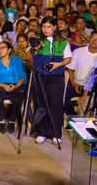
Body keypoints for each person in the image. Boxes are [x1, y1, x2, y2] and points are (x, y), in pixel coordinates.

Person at [30, 17, 71, 146]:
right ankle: (42, 132)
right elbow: (30, 58)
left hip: (57, 77)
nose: (46, 29)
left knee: (56, 105)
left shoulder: (63, 42)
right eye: (43, 27)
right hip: (40, 76)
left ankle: (56, 134)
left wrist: (58, 64)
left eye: (49, 27)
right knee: (41, 104)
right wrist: (36, 48)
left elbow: (68, 59)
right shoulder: (37, 40)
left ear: (54, 27)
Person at [0, 40, 27, 132]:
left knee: (18, 98)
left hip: (16, 85)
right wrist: (4, 86)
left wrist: (16, 86)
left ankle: (12, 121)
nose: (0, 50)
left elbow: (23, 76)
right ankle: (1, 120)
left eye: (3, 48)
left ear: (9, 50)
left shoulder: (17, 61)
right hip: (0, 86)